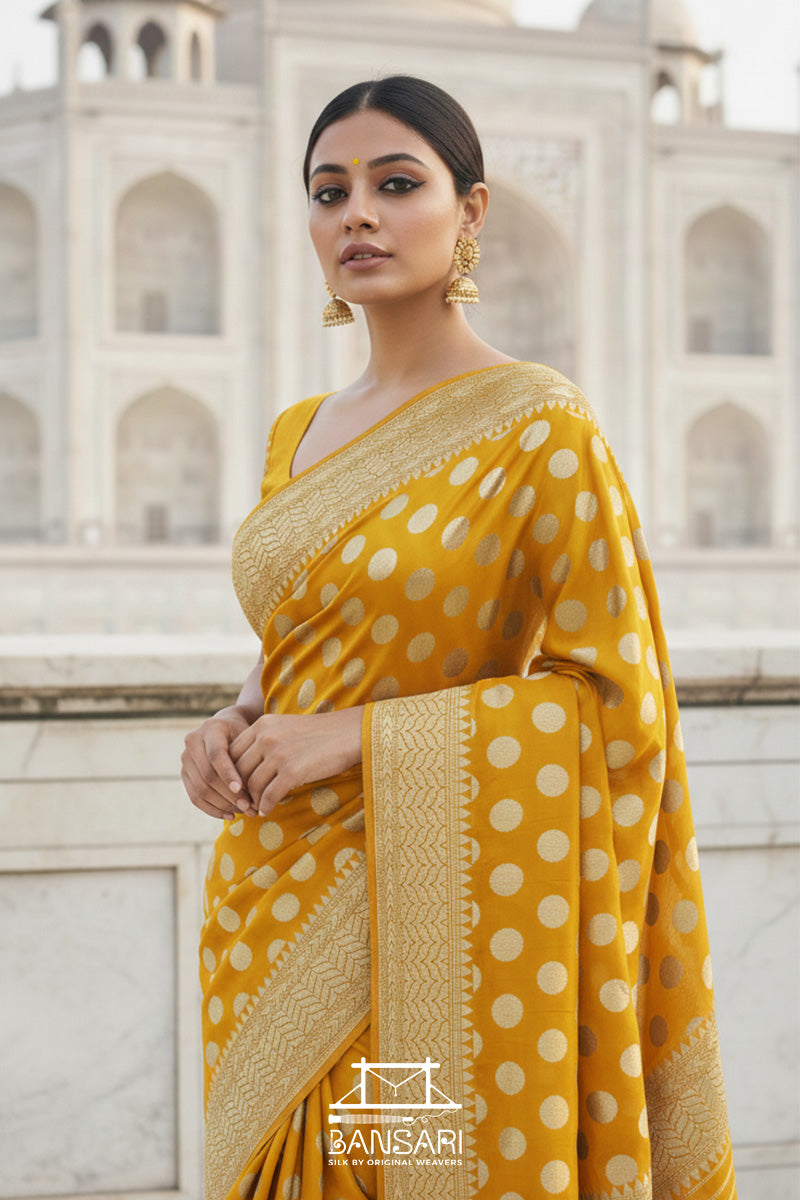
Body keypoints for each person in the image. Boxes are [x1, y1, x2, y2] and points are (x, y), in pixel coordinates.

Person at [182, 75, 737, 1200]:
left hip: (434, 914)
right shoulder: (299, 432)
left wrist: (348, 743)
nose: (357, 216)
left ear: (471, 211)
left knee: (411, 1174)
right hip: (269, 894)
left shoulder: (538, 426)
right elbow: (304, 637)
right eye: (328, 191)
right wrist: (233, 719)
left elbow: (610, 701)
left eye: (396, 184)